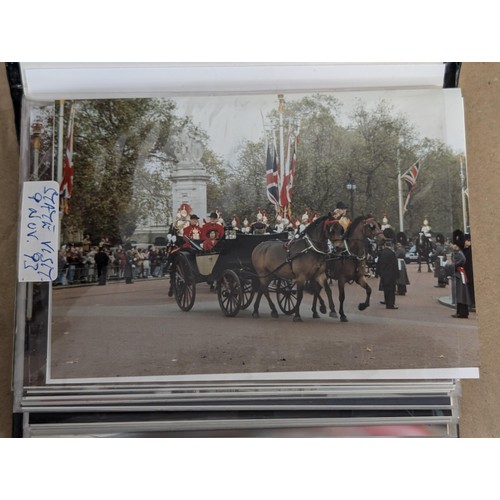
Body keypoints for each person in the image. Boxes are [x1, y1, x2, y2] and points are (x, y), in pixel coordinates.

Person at [445, 229, 470, 319]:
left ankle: (461, 312)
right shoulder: (457, 253)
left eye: (454, 244)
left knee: (460, 293)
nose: (453, 246)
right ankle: (460, 311)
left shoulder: (459, 253)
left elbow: (462, 260)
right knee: (460, 293)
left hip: (459, 274)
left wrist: (450, 266)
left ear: (457, 245)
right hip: (459, 273)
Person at [376, 238, 399, 309]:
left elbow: (378, 263)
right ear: (391, 245)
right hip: (391, 273)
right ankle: (390, 304)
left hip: (383, 273)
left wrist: (378, 272)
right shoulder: (392, 253)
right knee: (391, 290)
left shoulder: (381, 252)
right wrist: (397, 274)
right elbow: (395, 264)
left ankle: (386, 302)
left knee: (385, 289)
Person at [463, 233, 475, 309]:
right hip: (468, 271)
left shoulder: (471, 250)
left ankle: (473, 302)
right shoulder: (466, 249)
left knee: (471, 287)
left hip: (470, 271)